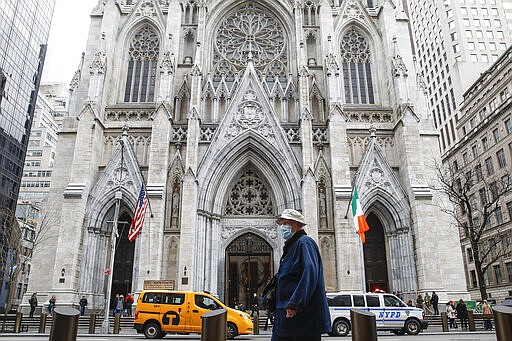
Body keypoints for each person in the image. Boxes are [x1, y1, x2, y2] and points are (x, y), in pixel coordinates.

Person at [271, 209, 331, 341]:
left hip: (301, 318)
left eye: (286, 223)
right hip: (288, 318)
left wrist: (295, 304)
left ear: (297, 224)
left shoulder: (305, 243)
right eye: (281, 224)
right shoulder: (292, 246)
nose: (282, 227)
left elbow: (309, 274)